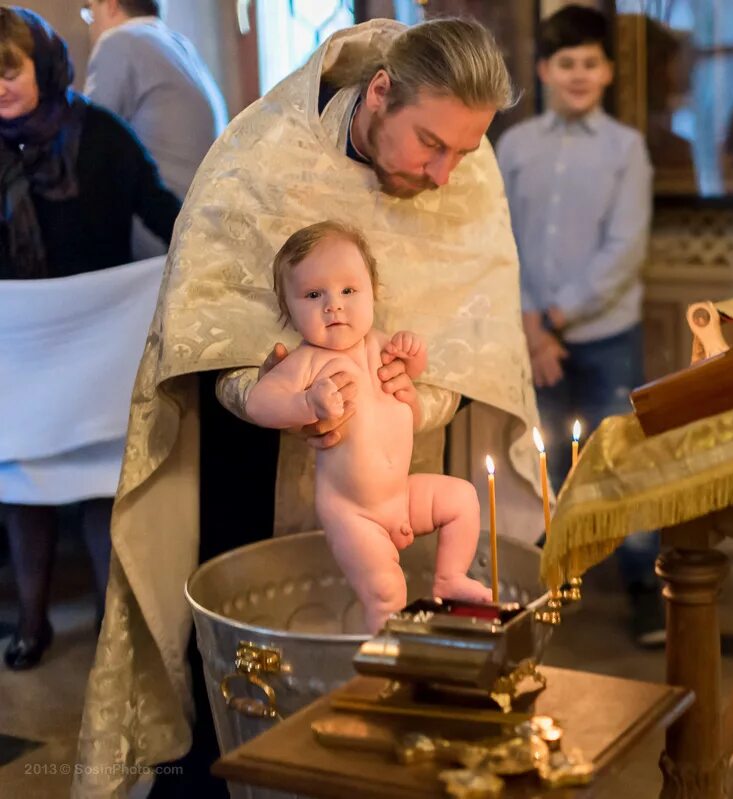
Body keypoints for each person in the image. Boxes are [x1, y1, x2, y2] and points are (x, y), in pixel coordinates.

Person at [74, 18, 544, 799]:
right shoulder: (262, 155)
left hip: (401, 462)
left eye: (462, 151)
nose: (443, 175)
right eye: (430, 143)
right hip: (252, 462)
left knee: (398, 630)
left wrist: (403, 389)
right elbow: (203, 324)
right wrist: (278, 393)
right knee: (241, 662)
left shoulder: (469, 165)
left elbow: (476, 336)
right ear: (383, 92)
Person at [0, 7, 180, 670]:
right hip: (19, 350)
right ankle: (32, 621)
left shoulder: (102, 134)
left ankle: (113, 619)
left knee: (103, 483)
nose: (0, 87)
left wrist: (209, 259)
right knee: (22, 482)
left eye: (9, 69)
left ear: (43, 65)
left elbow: (161, 208)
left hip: (98, 340)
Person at [495, 5, 663, 647]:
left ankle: (644, 587)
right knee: (536, 461)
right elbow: (502, 239)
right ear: (543, 70)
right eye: (566, 63)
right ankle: (543, 589)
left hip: (604, 333)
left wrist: (556, 319)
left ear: (609, 71)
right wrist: (532, 327)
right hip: (528, 333)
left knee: (620, 456)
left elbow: (624, 248)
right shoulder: (514, 146)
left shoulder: (627, 149)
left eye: (590, 63)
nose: (578, 74)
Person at [246, 221, 491, 631]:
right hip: (353, 512)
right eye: (312, 294)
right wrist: (305, 401)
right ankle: (382, 662)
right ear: (288, 311)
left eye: (348, 290)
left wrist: (413, 358)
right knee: (385, 590)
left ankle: (449, 579)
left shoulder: (379, 344)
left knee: (462, 499)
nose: (333, 305)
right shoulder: (308, 362)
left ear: (372, 291)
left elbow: (408, 376)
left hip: (402, 495)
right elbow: (258, 403)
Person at [82, 0, 228, 258]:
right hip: (206, 219)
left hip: (159, 229)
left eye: (89, 10)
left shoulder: (118, 42)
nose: (90, 23)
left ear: (111, 6)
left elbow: (86, 140)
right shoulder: (179, 44)